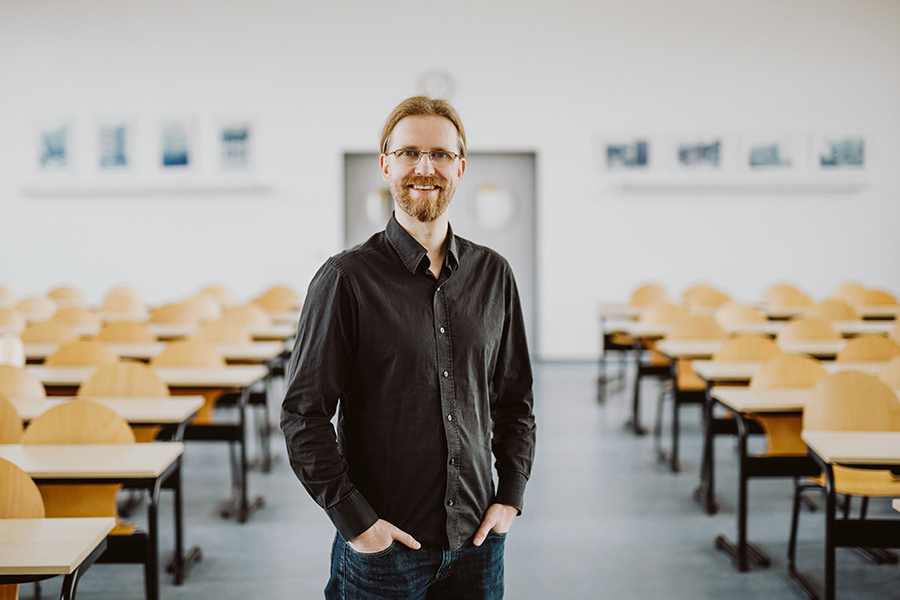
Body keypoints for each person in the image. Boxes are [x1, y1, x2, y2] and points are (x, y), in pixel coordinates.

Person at [281, 95, 536, 599]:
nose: (426, 167)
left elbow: (515, 402)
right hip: (384, 552)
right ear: (385, 165)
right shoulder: (345, 279)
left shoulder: (494, 275)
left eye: (441, 154)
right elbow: (303, 416)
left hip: (479, 547)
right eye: (409, 153)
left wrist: (509, 498)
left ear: (460, 168)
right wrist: (357, 523)